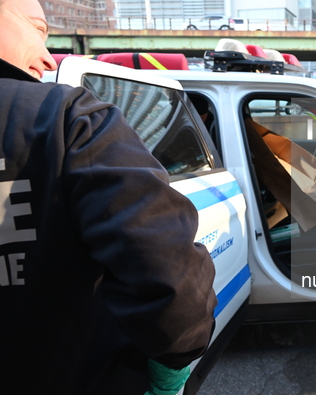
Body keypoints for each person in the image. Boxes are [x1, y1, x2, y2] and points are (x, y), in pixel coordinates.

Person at [0, 0, 217, 394]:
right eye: (38, 30)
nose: (48, 59)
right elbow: (171, 279)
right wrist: (173, 364)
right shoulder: (68, 119)